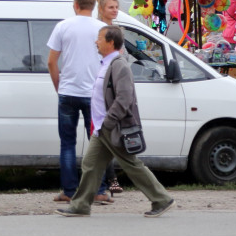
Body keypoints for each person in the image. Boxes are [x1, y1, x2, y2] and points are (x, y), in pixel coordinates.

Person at [56, 26, 175, 218]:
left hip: (112, 127)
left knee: (131, 165)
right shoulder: (106, 63)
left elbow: (124, 99)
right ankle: (80, 205)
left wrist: (108, 123)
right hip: (102, 128)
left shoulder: (119, 65)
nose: (96, 42)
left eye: (100, 38)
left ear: (111, 42)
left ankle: (161, 199)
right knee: (90, 164)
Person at [47, 0, 111, 204]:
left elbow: (51, 62)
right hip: (94, 95)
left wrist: (60, 86)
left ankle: (69, 190)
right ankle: (99, 190)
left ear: (75, 4)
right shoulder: (102, 28)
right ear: (94, 6)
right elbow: (111, 61)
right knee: (98, 143)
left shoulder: (63, 27)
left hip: (67, 92)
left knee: (67, 143)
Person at [97, 0, 125, 195]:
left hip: (116, 86)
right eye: (111, 7)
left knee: (111, 135)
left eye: (116, 7)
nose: (115, 10)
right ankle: (110, 179)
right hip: (103, 88)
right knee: (104, 134)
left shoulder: (118, 29)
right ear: (101, 9)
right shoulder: (99, 31)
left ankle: (108, 179)